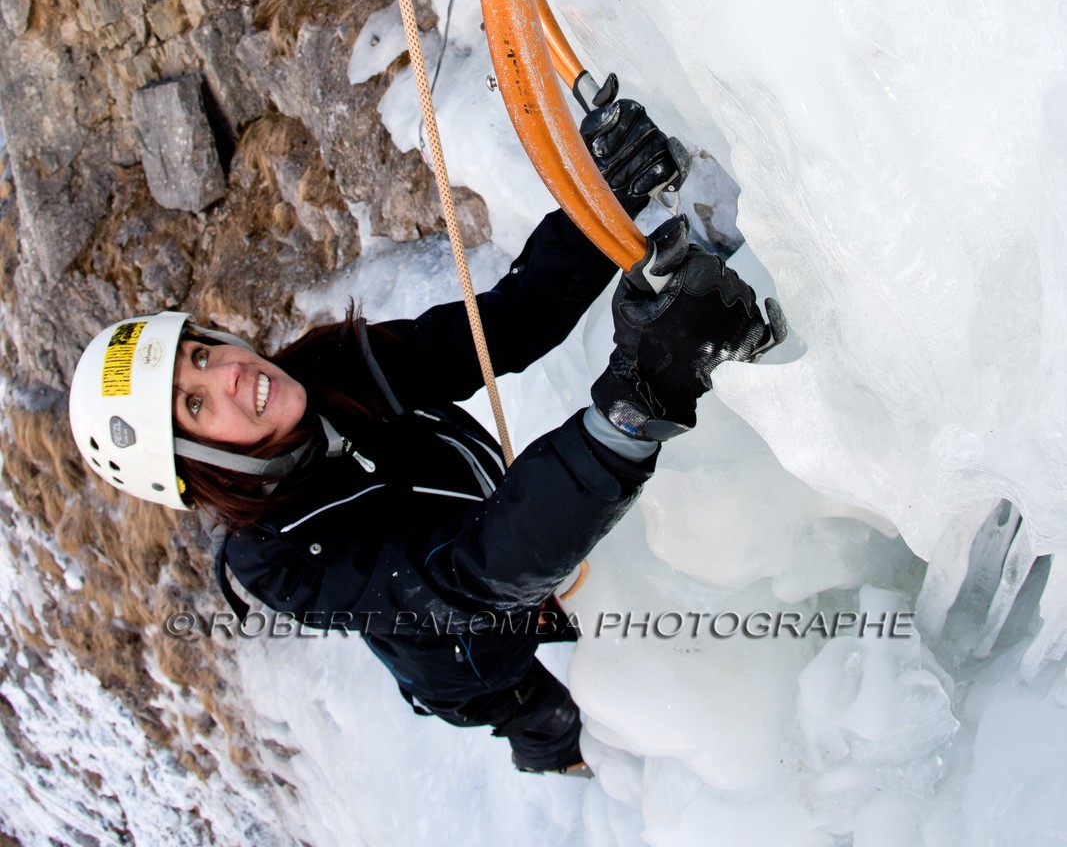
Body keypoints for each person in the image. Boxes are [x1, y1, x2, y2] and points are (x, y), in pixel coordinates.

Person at [69, 101, 780, 776]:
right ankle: (558, 759)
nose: (226, 373)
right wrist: (636, 401)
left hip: (504, 540)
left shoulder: (331, 373)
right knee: (533, 710)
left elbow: (502, 328)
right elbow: (466, 579)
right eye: (195, 405)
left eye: (199, 353)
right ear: (198, 464)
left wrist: (598, 201)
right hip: (467, 656)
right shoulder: (280, 565)